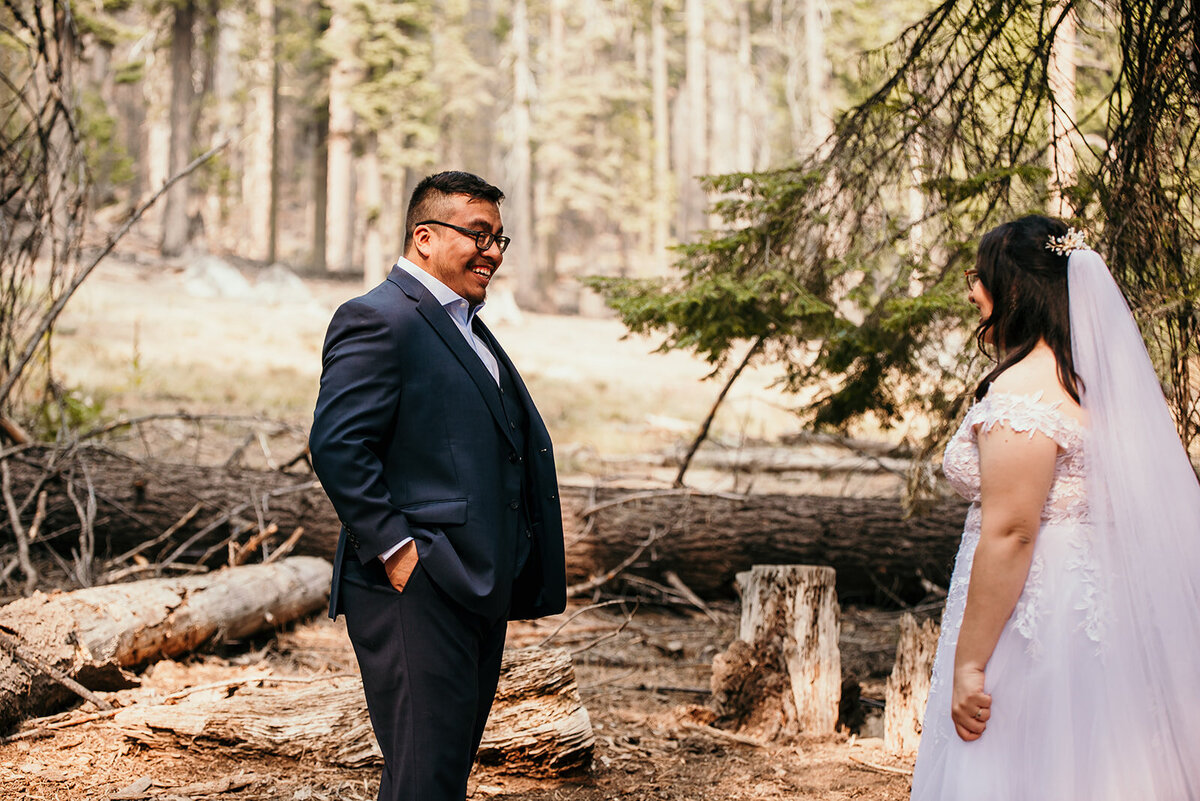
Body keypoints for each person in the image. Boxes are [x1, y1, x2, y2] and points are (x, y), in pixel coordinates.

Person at [911, 215, 1200, 800]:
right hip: (1105, 606)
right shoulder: (1100, 383)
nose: (971, 291)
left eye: (980, 276)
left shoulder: (1023, 390)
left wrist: (970, 666)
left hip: (1035, 616)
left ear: (1013, 288)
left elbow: (1013, 532)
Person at [309, 170, 566, 801]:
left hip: (476, 583)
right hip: (416, 588)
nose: (494, 253)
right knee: (428, 777)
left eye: (501, 240)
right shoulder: (378, 318)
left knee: (430, 775)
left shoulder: (467, 325)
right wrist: (400, 553)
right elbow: (337, 444)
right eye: (479, 235)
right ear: (424, 237)